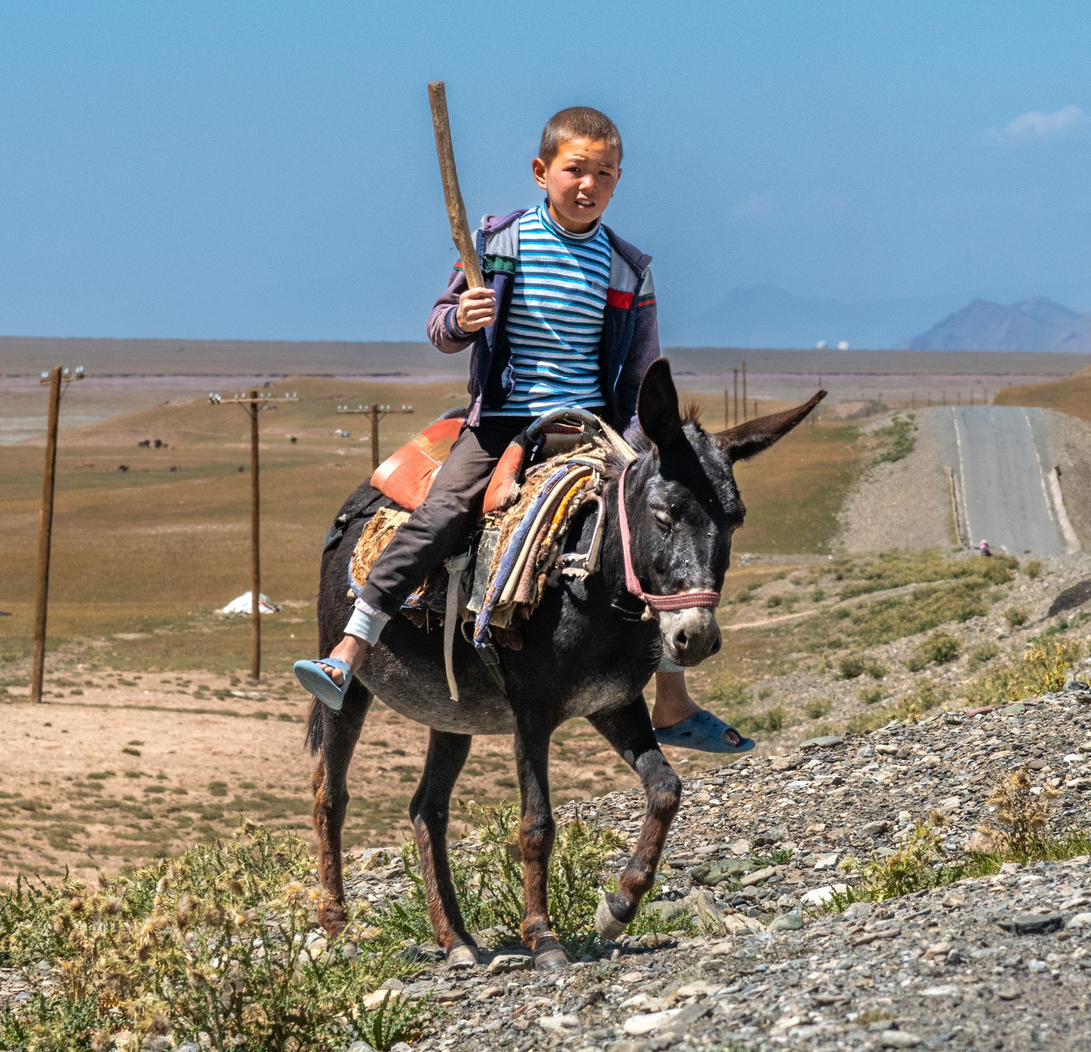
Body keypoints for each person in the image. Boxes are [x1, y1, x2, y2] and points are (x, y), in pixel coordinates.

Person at [293, 105, 752, 753]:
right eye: (575, 170)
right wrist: (463, 318)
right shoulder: (500, 245)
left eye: (604, 173)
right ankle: (352, 642)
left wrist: (645, 445)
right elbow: (440, 323)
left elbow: (643, 366)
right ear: (541, 172)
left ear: (618, 180)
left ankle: (672, 701)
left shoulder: (628, 267)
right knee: (446, 508)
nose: (588, 184)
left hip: (592, 430)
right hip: (502, 422)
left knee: (661, 524)